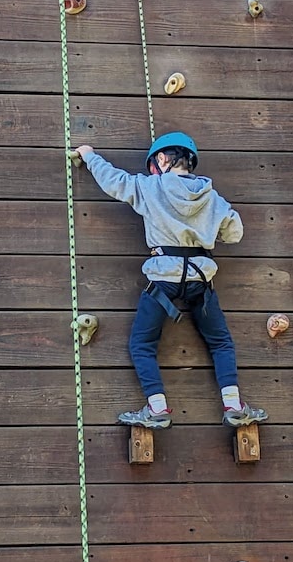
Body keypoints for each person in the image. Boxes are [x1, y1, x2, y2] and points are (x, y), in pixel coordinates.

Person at [74, 132, 268, 430]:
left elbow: (115, 181)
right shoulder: (212, 196)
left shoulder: (150, 187)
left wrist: (89, 155)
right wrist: (205, 224)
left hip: (163, 279)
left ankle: (158, 408)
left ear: (163, 159)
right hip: (200, 279)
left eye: (155, 164)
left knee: (142, 343)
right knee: (220, 343)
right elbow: (234, 234)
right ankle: (233, 404)